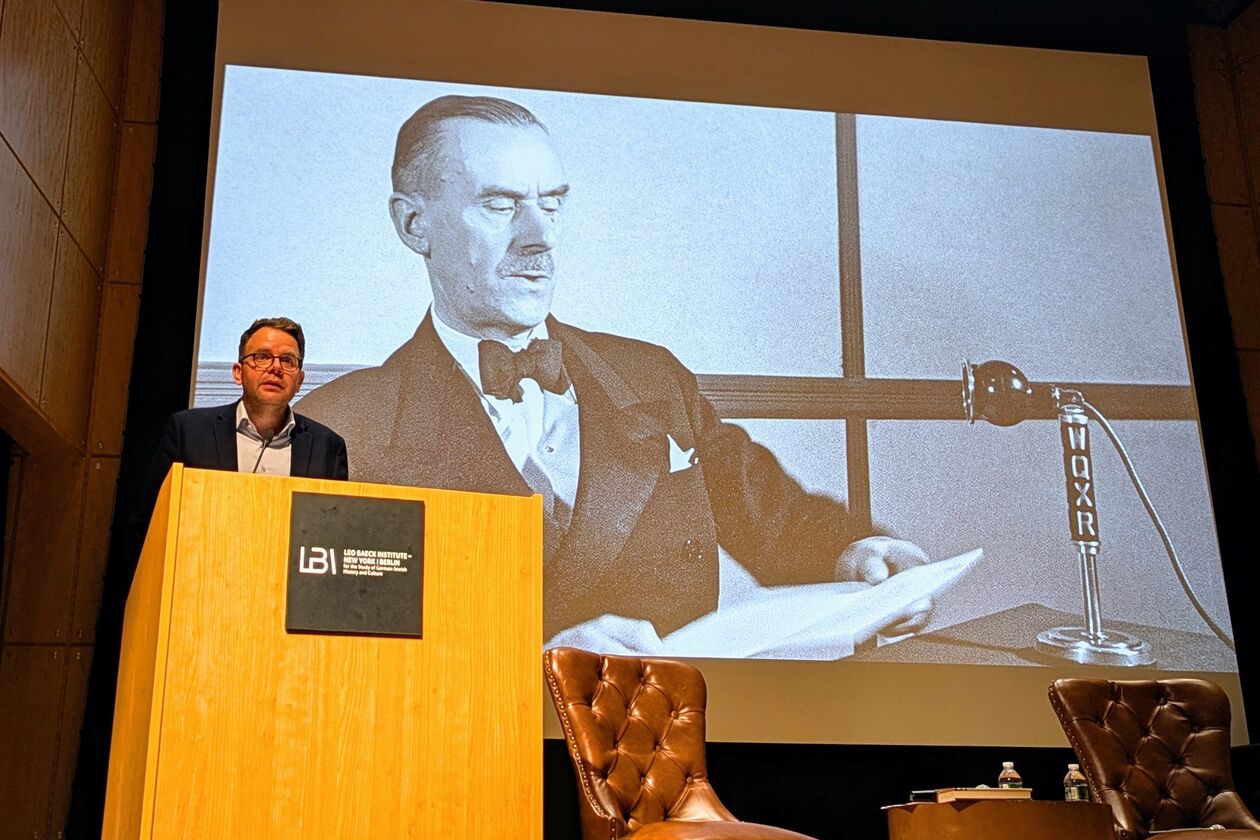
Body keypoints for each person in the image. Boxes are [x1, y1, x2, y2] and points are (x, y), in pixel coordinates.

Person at [296, 95, 930, 651]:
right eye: (500, 205)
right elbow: (338, 660)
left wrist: (855, 552)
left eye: (552, 204)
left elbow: (777, 519)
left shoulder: (652, 376)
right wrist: (534, 667)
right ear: (413, 225)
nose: (540, 237)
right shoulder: (336, 432)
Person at [131, 317, 349, 550]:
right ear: (238, 373)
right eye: (262, 357)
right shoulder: (188, 431)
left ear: (299, 381)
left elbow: (334, 538)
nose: (275, 368)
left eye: (287, 360)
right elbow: (148, 524)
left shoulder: (327, 447)